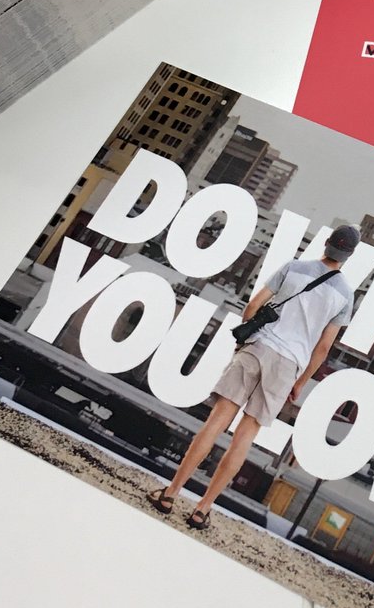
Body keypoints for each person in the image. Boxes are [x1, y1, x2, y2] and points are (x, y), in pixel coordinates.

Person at [147, 224, 360, 530]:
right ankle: (202, 510)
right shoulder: (345, 295)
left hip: (259, 346)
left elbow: (254, 305)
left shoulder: (293, 267)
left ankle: (170, 494)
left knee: (215, 423)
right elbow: (324, 348)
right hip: (288, 366)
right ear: (349, 255)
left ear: (326, 243)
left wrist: (245, 342)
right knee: (244, 438)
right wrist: (300, 382)